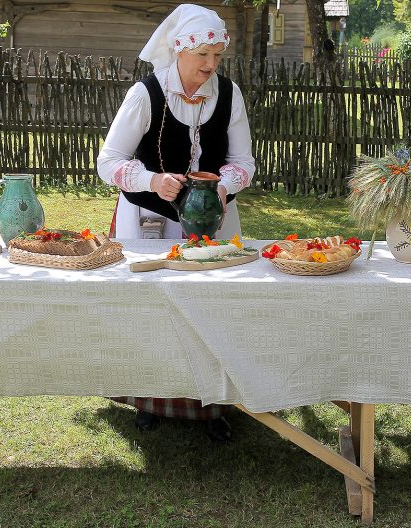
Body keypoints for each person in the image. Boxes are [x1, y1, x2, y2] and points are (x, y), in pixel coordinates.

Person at [97, 4, 255, 442]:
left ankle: (213, 405)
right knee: (150, 311)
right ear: (179, 51)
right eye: (202, 55)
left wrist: (223, 186)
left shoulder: (228, 94)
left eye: (217, 56)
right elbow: (107, 162)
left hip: (214, 222)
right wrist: (152, 180)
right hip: (149, 218)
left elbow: (243, 161)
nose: (210, 65)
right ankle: (148, 400)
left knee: (213, 312)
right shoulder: (145, 95)